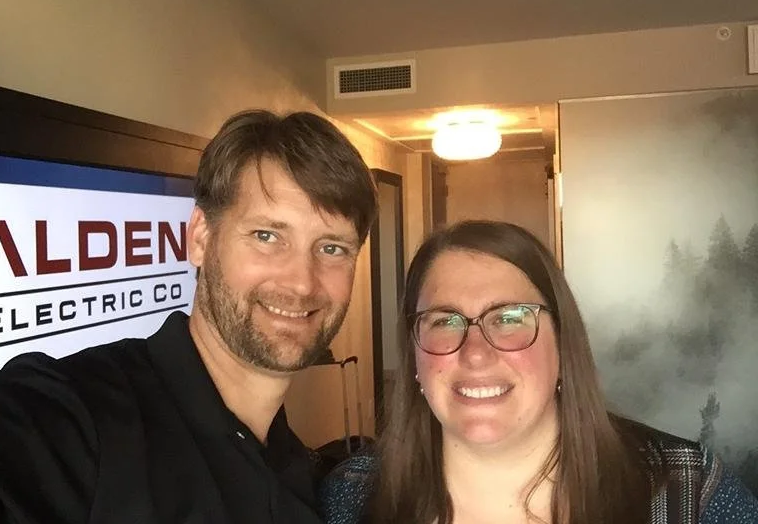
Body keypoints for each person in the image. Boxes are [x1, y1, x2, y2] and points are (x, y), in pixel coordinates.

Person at [0, 110, 378, 523]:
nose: (302, 283)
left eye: (332, 248)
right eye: (267, 236)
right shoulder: (79, 417)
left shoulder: (294, 468)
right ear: (199, 238)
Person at [320, 220, 758, 524]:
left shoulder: (688, 492)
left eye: (510, 318)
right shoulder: (351, 497)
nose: (475, 353)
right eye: (444, 320)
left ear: (564, 345)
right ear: (414, 355)